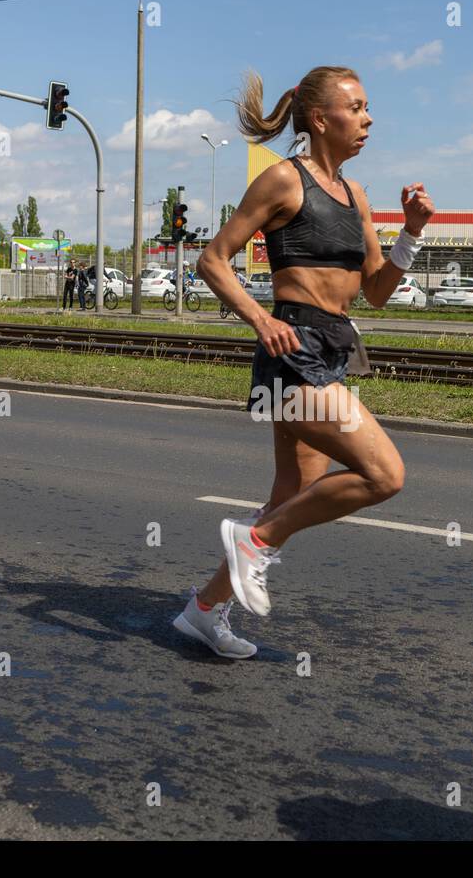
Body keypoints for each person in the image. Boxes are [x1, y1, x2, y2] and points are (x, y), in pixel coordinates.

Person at [171, 66, 434, 658]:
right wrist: (262, 319)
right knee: (384, 475)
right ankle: (253, 543)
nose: (368, 119)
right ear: (321, 119)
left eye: (368, 109)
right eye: (357, 108)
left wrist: (411, 234)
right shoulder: (282, 181)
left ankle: (203, 610)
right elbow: (213, 260)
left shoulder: (355, 194)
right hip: (292, 354)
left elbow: (376, 290)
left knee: (295, 492)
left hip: (332, 350)